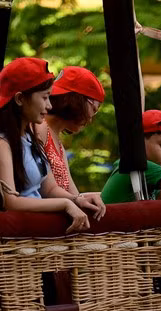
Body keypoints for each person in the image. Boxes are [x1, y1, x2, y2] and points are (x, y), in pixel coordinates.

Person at [0, 57, 102, 234]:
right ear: (19, 99)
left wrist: (77, 200)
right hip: (21, 237)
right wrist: (65, 204)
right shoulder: (2, 143)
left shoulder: (30, 137)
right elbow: (10, 202)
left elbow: (49, 188)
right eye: (45, 97)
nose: (49, 106)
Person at [34, 66, 107, 214]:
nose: (91, 119)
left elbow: (72, 192)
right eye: (94, 109)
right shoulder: (40, 128)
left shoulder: (56, 140)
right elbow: (47, 189)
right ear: (77, 101)